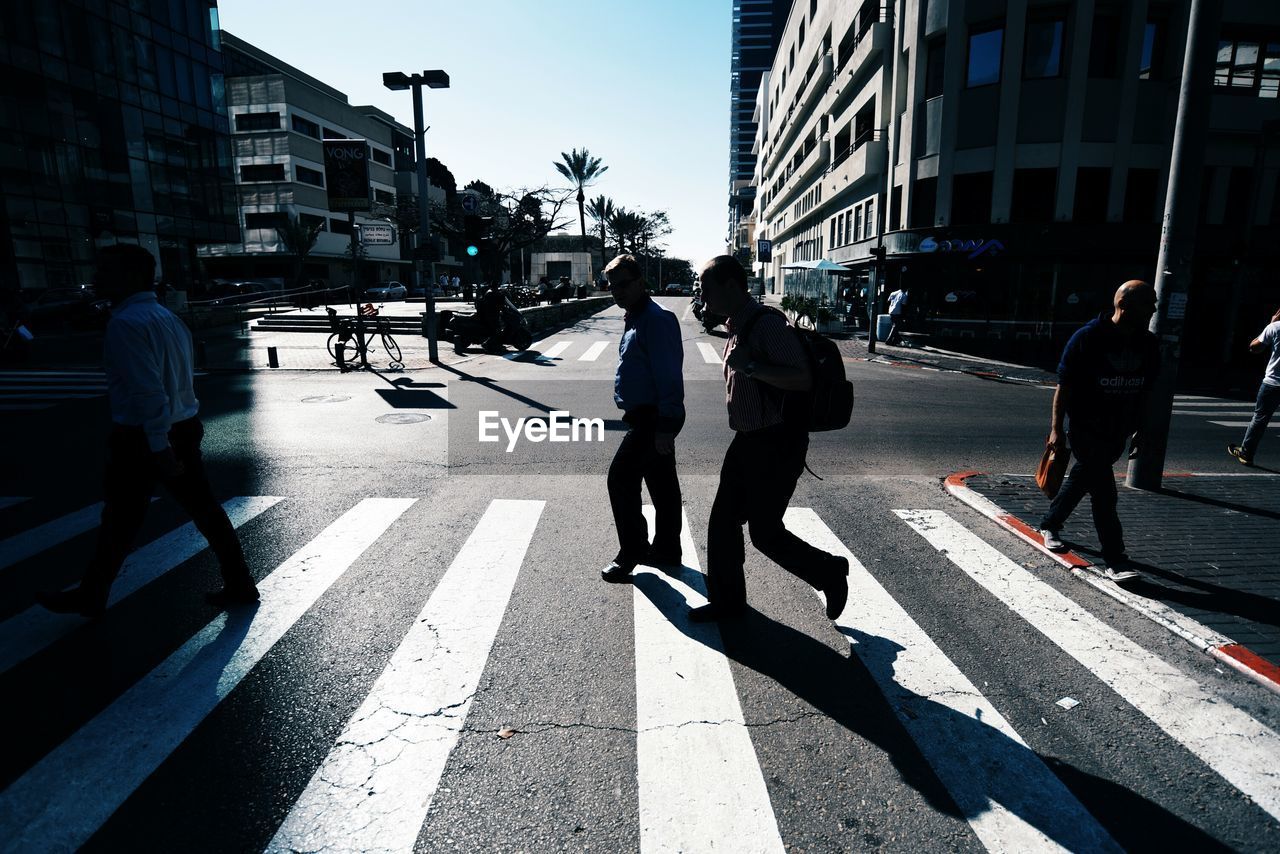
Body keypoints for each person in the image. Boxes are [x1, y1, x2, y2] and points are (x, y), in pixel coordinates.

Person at [37, 244, 257, 618]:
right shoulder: (169, 319)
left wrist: (159, 445)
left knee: (121, 518)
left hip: (144, 437)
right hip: (182, 426)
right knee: (201, 510)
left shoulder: (126, 324)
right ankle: (238, 582)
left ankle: (92, 594)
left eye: (105, 271)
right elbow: (179, 383)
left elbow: (147, 390)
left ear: (133, 276)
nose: (96, 279)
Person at [693, 255, 849, 623]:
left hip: (777, 442)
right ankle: (727, 603)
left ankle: (828, 572)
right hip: (747, 440)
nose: (703, 298)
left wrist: (751, 366)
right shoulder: (738, 325)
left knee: (765, 533)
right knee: (723, 523)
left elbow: (802, 378)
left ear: (731, 286)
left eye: (707, 289)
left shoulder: (766, 326)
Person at [1038, 280, 1159, 583]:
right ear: (1125, 305)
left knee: (1084, 478)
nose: (1154, 309)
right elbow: (1063, 387)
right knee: (1104, 493)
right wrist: (1056, 429)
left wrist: (1142, 430)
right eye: (1149, 303)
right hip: (1085, 427)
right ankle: (1115, 560)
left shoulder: (1148, 343)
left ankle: (1050, 522)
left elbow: (1146, 391)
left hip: (1117, 431)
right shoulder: (1088, 338)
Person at [601, 255, 685, 582]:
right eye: (612, 287)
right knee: (663, 486)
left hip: (654, 417)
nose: (617, 292)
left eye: (623, 284)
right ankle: (666, 548)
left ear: (639, 281)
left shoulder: (655, 319)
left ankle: (631, 551)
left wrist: (666, 426)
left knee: (620, 479)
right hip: (644, 416)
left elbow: (669, 378)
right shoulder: (635, 317)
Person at [1228, 306, 1280, 466]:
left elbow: (1254, 347)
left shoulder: (1276, 327)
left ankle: (1246, 453)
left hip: (1273, 382)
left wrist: (1271, 324)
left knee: (1260, 418)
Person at [474, 281, 505, 352]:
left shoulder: (491, 292)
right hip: (490, 316)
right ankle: (486, 343)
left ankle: (497, 345)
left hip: (491, 314)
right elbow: (497, 303)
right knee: (497, 330)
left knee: (497, 328)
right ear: (496, 286)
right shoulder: (491, 293)